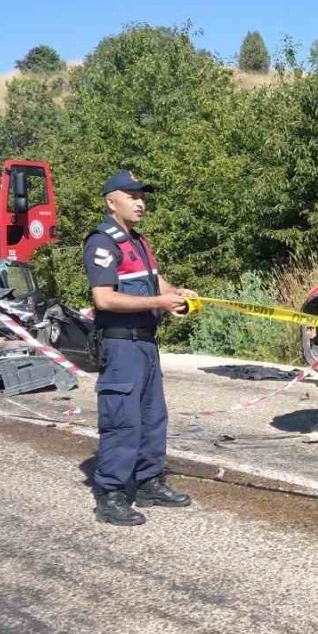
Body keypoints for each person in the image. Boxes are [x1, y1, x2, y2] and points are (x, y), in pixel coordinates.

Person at [84, 170, 198, 526]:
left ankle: (149, 482)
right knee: (123, 421)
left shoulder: (138, 242)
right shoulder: (102, 243)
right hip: (121, 347)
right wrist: (160, 302)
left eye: (142, 195)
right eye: (131, 195)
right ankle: (111, 495)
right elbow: (103, 298)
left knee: (152, 418)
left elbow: (155, 281)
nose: (140, 202)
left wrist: (177, 294)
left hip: (146, 344)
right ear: (110, 201)